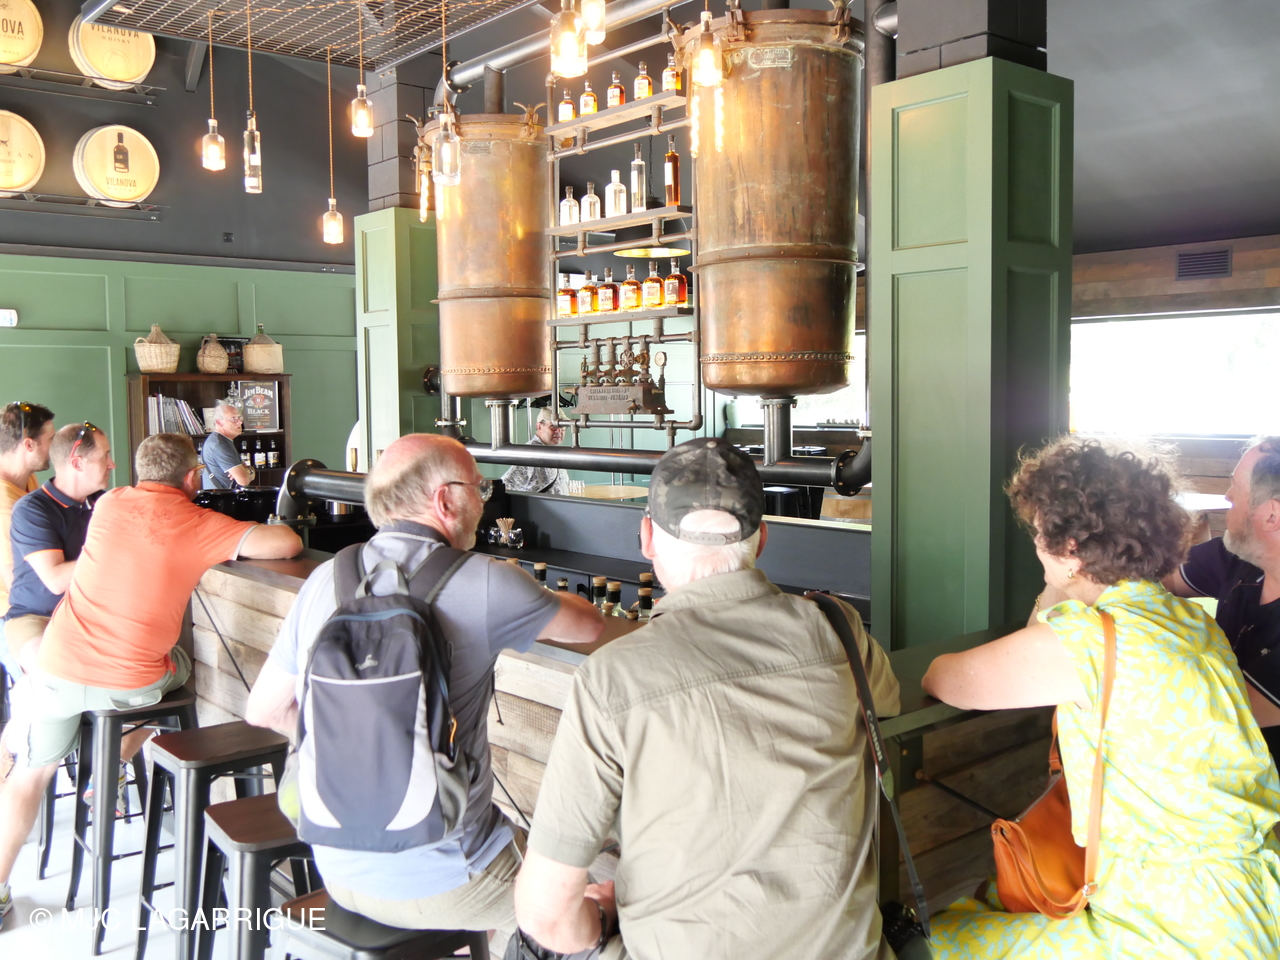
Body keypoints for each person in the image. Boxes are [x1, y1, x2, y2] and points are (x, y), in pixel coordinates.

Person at [512, 437, 901, 960]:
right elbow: (889, 704)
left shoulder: (611, 679)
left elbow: (545, 916)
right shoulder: (836, 628)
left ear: (647, 537)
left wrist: (601, 920)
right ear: (763, 539)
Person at [921, 436, 1280, 959]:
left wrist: (1061, 581)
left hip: (1173, 925)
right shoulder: (1186, 621)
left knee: (935, 941)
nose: (1036, 543)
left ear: (1069, 547)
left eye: (1039, 532)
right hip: (1252, 902)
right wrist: (1069, 579)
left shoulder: (1091, 639)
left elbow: (944, 679)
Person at [245, 433, 606, 946]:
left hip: (336, 867)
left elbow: (263, 710)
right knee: (583, 916)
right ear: (445, 500)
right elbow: (590, 626)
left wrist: (358, 751)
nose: (484, 501)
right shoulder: (488, 582)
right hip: (447, 875)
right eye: (478, 488)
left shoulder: (326, 578)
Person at [0, 433, 302, 931]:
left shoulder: (111, 502)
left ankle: (1, 887)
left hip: (55, 665)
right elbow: (287, 542)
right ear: (193, 477)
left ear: (140, 471)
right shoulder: (198, 523)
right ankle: (115, 761)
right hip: (129, 681)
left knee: (30, 775)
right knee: (184, 666)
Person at [1164, 436, 1280, 749]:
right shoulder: (1242, 556)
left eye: (1235, 487)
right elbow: (1156, 579)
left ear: (1272, 515)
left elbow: (1214, 715)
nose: (1228, 496)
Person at [4, 422, 114, 677]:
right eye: (105, 456)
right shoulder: (32, 509)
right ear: (77, 463)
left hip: (92, 614)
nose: (112, 464)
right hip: (37, 617)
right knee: (48, 674)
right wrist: (114, 551)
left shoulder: (106, 503)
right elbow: (55, 580)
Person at [0, 402, 55, 657]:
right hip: (10, 614)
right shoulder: (4, 503)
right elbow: (14, 582)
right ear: (29, 445)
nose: (55, 446)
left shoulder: (24, 477)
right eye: (51, 439)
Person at [501, 408, 570, 495]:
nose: (559, 431)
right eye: (553, 426)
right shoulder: (531, 453)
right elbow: (505, 485)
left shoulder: (553, 451)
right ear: (539, 427)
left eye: (562, 426)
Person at [202, 399, 254, 489]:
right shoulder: (219, 445)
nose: (240, 422)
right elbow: (243, 480)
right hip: (220, 497)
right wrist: (247, 472)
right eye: (234, 419)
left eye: (240, 418)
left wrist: (247, 470)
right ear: (219, 422)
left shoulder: (223, 441)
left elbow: (245, 475)